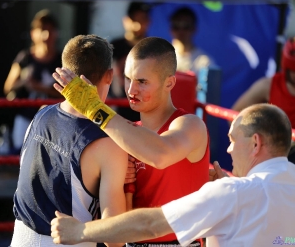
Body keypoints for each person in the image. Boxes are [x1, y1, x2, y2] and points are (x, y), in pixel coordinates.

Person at [51, 103, 295, 246]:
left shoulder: (231, 195)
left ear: (255, 143)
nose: (229, 148)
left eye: (234, 140)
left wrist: (81, 231)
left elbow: (150, 225)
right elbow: (287, 238)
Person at [52, 37, 210, 246]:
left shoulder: (190, 125)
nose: (131, 90)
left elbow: (160, 154)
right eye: (128, 79)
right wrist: (122, 183)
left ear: (169, 83)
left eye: (142, 82)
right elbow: (117, 228)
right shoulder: (126, 135)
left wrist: (94, 109)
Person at [10, 35, 129, 247]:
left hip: (20, 239)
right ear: (109, 75)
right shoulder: (109, 145)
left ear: (64, 72)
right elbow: (116, 238)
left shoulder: (39, 115)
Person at [232, 34, 295, 176]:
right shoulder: (268, 85)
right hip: (276, 154)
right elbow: (235, 113)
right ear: (287, 66)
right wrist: (250, 144)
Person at [3, 9, 63, 153]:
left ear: (56, 33)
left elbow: (69, 94)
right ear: (33, 33)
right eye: (42, 30)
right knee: (22, 152)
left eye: (50, 30)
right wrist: (24, 82)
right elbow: (8, 88)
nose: (46, 35)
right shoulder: (25, 57)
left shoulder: (63, 59)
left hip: (55, 117)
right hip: (26, 115)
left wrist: (40, 87)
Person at [109, 1, 151, 122]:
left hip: (144, 111)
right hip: (116, 110)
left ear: (148, 21)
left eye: (142, 19)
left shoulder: (153, 49)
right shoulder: (113, 47)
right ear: (125, 20)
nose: (138, 25)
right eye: (134, 20)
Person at [169, 7, 216, 74]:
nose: (181, 30)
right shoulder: (162, 58)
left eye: (186, 26)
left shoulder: (204, 61)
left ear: (194, 29)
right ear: (171, 29)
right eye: (176, 26)